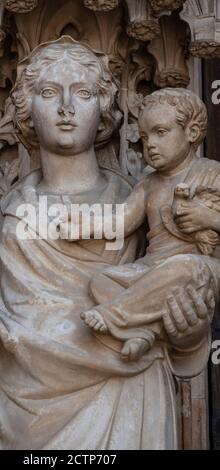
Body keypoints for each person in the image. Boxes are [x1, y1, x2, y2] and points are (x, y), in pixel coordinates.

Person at [0, 38, 217, 450]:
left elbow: (175, 304)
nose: (66, 107)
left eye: (83, 93)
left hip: (125, 393)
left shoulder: (139, 204)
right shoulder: (6, 216)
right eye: (49, 93)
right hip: (20, 407)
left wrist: (189, 331)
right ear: (27, 110)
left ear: (104, 108)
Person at [80, 88, 220, 361]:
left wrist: (209, 218)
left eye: (160, 132)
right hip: (153, 268)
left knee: (185, 266)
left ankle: (116, 314)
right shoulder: (149, 184)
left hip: (202, 268)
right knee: (101, 280)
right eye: (144, 138)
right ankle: (143, 331)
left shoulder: (212, 173)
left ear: (191, 133)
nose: (150, 145)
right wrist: (82, 226)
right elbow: (121, 222)